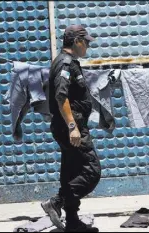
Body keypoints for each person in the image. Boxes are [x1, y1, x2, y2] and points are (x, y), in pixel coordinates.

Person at [41, 25, 101, 232]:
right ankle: (56, 202)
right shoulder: (66, 63)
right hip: (71, 128)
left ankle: (73, 222)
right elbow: (61, 96)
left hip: (67, 126)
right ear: (77, 41)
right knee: (91, 171)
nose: (88, 46)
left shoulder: (64, 61)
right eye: (87, 42)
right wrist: (73, 127)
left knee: (71, 171)